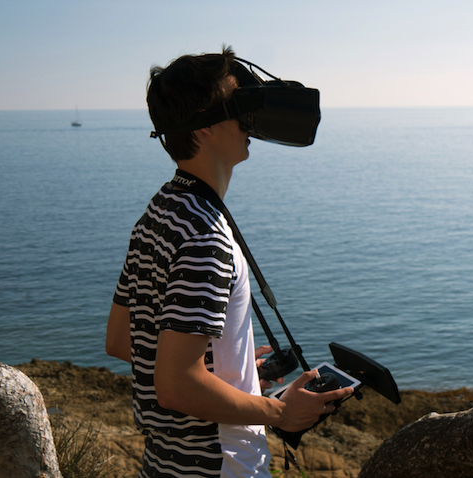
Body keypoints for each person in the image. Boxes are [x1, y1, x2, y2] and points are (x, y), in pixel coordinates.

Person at [105, 46, 352, 478]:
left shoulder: (159, 213)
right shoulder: (204, 237)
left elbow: (124, 339)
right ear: (202, 129)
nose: (250, 119)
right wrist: (278, 412)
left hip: (165, 464)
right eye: (239, 105)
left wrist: (229, 369)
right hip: (218, 467)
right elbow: (177, 384)